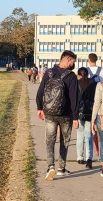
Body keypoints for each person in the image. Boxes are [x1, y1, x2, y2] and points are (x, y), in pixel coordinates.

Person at [36, 51, 80, 180]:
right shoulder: (71, 76)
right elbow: (74, 98)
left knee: (50, 140)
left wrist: (40, 107)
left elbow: (41, 91)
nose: (73, 64)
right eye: (72, 61)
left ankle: (50, 166)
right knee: (64, 141)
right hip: (66, 114)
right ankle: (61, 168)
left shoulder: (49, 73)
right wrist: (76, 116)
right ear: (67, 59)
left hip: (49, 113)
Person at [76, 67, 97, 169]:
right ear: (88, 74)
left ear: (79, 75)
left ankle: (80, 156)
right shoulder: (94, 83)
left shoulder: (77, 83)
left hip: (80, 111)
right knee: (89, 135)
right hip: (90, 111)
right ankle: (89, 157)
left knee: (80, 134)